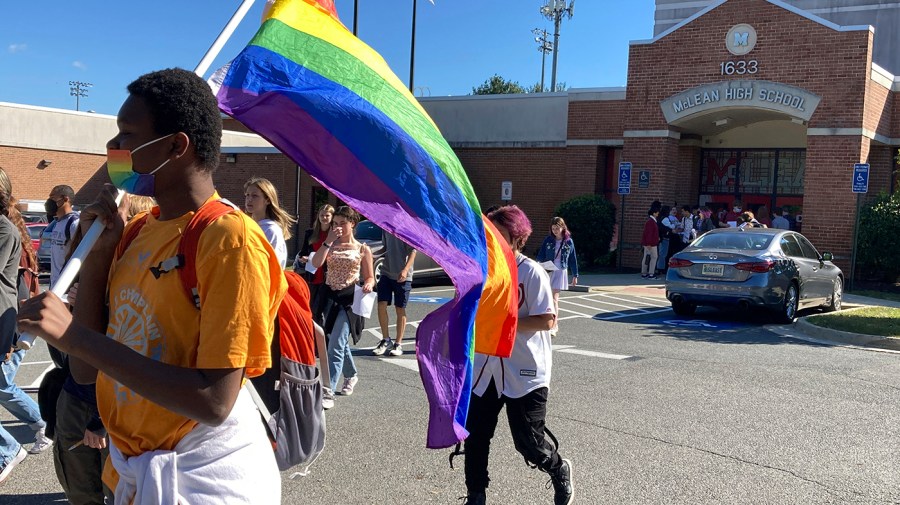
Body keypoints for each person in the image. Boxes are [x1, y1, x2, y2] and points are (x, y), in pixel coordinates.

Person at [17, 68, 285, 504]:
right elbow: (85, 369)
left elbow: (214, 402)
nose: (115, 150)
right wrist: (101, 255)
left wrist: (71, 334)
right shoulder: (138, 230)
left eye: (127, 135)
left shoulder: (229, 239)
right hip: (135, 472)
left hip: (203, 481)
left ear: (176, 146)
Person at [463, 205, 573, 505]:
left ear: (516, 238)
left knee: (529, 442)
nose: (492, 241)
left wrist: (503, 325)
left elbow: (547, 320)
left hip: (524, 368)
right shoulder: (481, 270)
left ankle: (558, 467)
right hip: (487, 368)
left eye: (499, 235)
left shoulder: (531, 272)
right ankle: (476, 493)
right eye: (488, 235)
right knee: (475, 436)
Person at [0, 168, 54, 485]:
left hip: (10, 319)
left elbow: (19, 286)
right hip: (14, 319)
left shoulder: (5, 231)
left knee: (4, 386)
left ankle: (12, 446)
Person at [310, 205, 374, 409]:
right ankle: (352, 375)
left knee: (335, 343)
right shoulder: (330, 244)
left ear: (352, 224)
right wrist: (328, 242)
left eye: (342, 223)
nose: (337, 227)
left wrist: (369, 283)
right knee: (337, 341)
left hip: (349, 299)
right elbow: (316, 264)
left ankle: (327, 391)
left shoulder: (363, 249)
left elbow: (370, 276)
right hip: (329, 296)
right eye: (334, 224)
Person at [373, 231, 416, 356]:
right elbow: (385, 248)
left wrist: (405, 270)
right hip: (386, 272)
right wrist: (372, 255)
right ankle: (386, 340)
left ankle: (398, 344)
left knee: (400, 308)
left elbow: (413, 251)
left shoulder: (405, 227)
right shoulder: (385, 228)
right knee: (381, 304)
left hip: (403, 275)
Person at [535, 217, 578, 336]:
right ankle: (548, 321)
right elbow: (541, 255)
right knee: (546, 297)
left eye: (557, 228)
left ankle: (554, 325)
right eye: (553, 228)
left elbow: (573, 259)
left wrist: (575, 275)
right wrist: (538, 265)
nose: (555, 231)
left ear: (563, 227)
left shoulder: (568, 241)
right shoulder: (548, 240)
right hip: (548, 270)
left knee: (554, 299)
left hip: (560, 271)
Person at [294, 204, 335, 326]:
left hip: (327, 277)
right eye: (322, 215)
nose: (324, 218)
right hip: (312, 276)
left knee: (322, 310)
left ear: (332, 217)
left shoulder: (334, 235)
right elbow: (302, 253)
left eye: (327, 215)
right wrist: (304, 258)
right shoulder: (310, 233)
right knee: (311, 308)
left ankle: (322, 336)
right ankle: (314, 335)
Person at [244, 176, 296, 269]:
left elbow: (275, 265)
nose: (249, 199)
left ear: (267, 200)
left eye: (254, 196)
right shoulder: (245, 224)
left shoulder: (271, 230)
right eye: (247, 195)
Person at [45, 185, 80, 288]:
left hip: (66, 286)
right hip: (54, 283)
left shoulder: (74, 223)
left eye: (52, 198)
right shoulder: (57, 223)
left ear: (65, 199)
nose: (49, 202)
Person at [640, 208, 660, 280]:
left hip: (649, 243)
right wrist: (649, 243)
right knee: (653, 257)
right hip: (651, 244)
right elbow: (649, 233)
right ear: (654, 213)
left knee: (646, 257)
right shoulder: (651, 222)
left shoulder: (650, 221)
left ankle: (644, 273)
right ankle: (651, 273)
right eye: (657, 212)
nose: (658, 214)